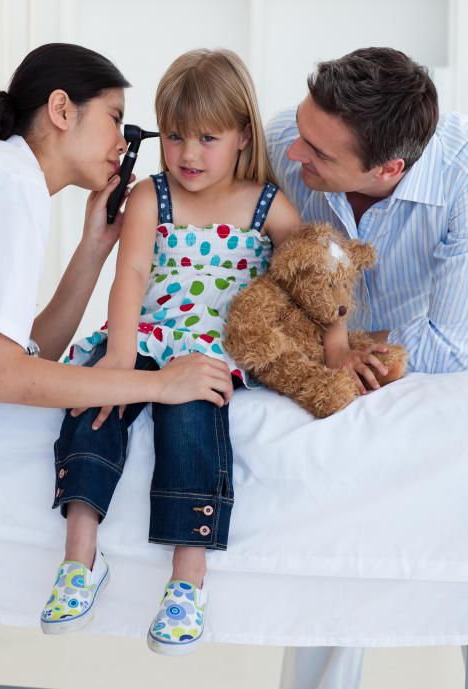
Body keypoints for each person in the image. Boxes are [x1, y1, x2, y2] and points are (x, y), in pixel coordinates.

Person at [41, 48, 305, 652]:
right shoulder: (149, 197)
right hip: (149, 337)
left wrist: (322, 346)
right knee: (92, 408)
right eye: (177, 136)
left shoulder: (267, 205)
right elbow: (130, 275)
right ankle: (79, 559)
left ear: (242, 135)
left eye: (207, 138)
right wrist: (117, 356)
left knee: (192, 418)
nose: (188, 155)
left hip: (218, 348)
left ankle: (188, 579)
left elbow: (316, 273)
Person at [266, 46, 468, 689]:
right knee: (326, 560)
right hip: (327, 375)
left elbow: (451, 347)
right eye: (301, 132)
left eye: (319, 154)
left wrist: (349, 341)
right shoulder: (282, 142)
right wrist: (326, 352)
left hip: (430, 385)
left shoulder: (462, 176)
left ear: (389, 169)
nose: (295, 155)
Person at [0, 46, 234, 486]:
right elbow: (4, 377)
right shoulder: (10, 183)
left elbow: (28, 356)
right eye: (115, 117)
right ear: (62, 109)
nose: (122, 143)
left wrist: (93, 249)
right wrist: (161, 385)